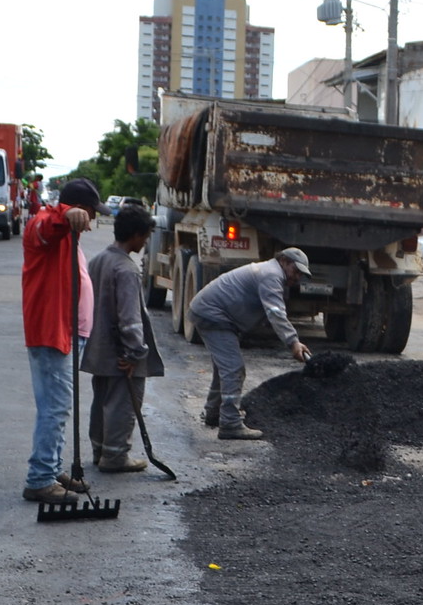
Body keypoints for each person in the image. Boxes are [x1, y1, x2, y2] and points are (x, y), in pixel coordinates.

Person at [20, 178, 99, 505]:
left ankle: (50, 469)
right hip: (53, 332)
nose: (92, 221)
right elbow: (43, 226)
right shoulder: (47, 225)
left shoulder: (70, 238)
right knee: (55, 407)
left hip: (67, 333)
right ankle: (40, 478)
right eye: (90, 214)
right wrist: (66, 215)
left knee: (59, 407)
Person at [188, 247, 314, 440]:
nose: (297, 277)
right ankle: (230, 423)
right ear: (283, 261)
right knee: (233, 368)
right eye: (295, 271)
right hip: (213, 314)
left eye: (300, 274)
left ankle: (214, 414)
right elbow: (275, 313)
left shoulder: (269, 271)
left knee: (224, 367)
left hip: (210, 312)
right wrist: (293, 342)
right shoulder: (271, 275)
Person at [83, 201, 166, 473]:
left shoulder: (98, 261)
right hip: (120, 352)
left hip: (99, 348)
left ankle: (100, 449)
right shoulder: (127, 269)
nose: (145, 242)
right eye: (145, 236)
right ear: (135, 235)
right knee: (123, 403)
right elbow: (130, 319)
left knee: (102, 399)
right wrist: (134, 354)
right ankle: (116, 456)